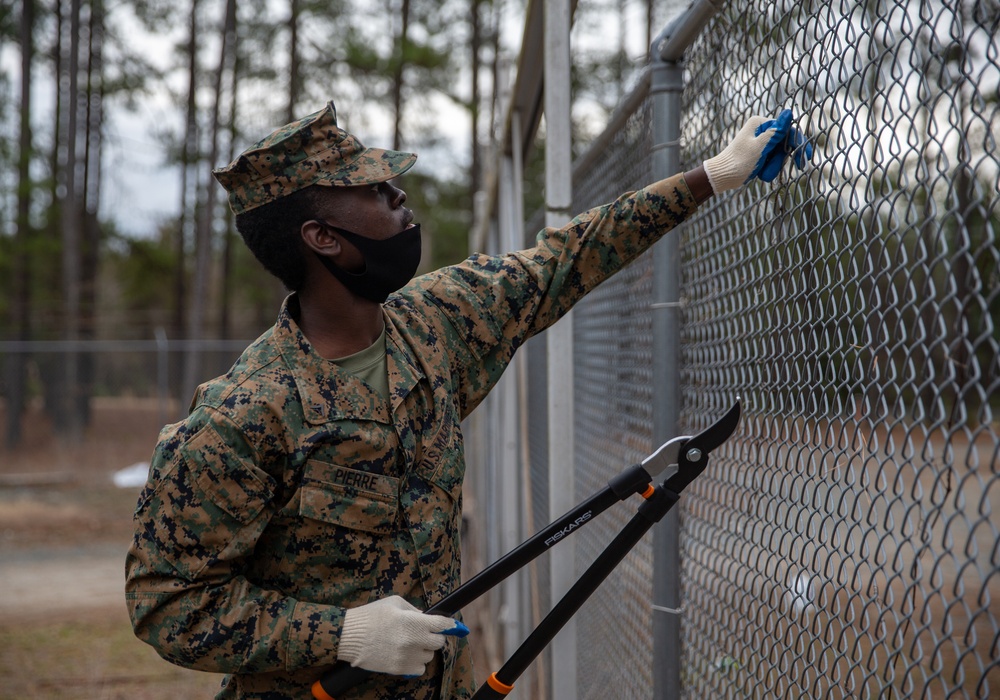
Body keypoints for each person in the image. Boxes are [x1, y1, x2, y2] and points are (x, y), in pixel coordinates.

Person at [125, 101, 810, 700]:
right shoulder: (245, 415)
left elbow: (567, 257)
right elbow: (168, 603)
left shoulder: (436, 321)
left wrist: (714, 175)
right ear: (323, 238)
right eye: (373, 188)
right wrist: (342, 634)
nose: (398, 194)